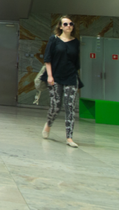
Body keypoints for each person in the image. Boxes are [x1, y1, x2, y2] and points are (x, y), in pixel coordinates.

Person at [41, 15, 82, 148]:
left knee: (70, 107)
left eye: (70, 24)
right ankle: (48, 124)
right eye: (65, 24)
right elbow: (47, 58)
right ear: (60, 26)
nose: (68, 26)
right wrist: (50, 76)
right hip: (55, 77)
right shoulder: (54, 40)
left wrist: (76, 78)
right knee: (56, 106)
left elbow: (77, 63)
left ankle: (69, 137)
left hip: (71, 77)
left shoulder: (76, 42)